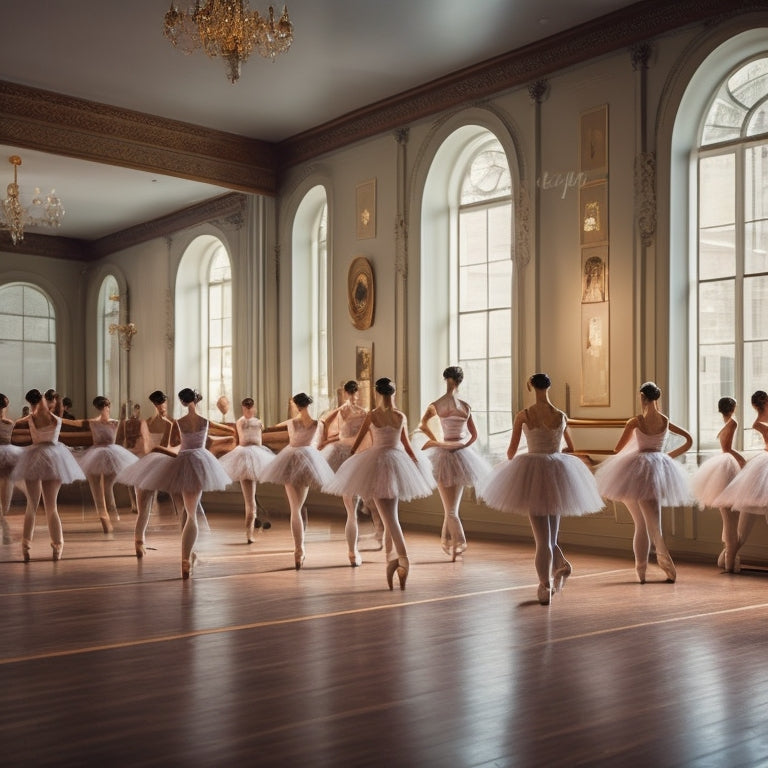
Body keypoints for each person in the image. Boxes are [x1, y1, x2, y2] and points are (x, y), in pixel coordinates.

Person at [479, 373, 604, 605]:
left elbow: (510, 452)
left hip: (534, 471)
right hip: (558, 471)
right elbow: (571, 448)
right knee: (551, 537)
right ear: (549, 387)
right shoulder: (560, 416)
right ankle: (562, 567)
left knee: (542, 540)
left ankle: (545, 585)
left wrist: (529, 455)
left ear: (530, 387)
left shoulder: (524, 415)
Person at [326, 378, 436, 589]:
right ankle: (390, 560)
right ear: (393, 394)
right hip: (396, 463)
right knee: (389, 518)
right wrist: (414, 463)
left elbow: (357, 443)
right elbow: (406, 445)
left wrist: (352, 459)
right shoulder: (400, 416)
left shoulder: (372, 415)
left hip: (377, 463)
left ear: (377, 393)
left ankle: (402, 559)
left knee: (390, 520)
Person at [595, 381, 692, 584]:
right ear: (657, 397)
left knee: (641, 524)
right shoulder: (664, 420)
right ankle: (662, 566)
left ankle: (642, 571)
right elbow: (688, 440)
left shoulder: (636, 421)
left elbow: (616, 449)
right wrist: (668, 456)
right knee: (654, 525)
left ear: (642, 397)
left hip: (636, 471)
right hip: (657, 466)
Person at [133, 388, 233, 578]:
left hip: (185, 462)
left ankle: (186, 557)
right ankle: (186, 558)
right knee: (191, 513)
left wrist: (159, 450)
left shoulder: (177, 423)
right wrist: (230, 436)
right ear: (196, 400)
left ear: (183, 403)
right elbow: (215, 436)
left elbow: (173, 448)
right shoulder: (205, 421)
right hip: (200, 464)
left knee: (187, 513)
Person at [419, 366, 491, 560]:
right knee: (452, 508)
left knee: (449, 508)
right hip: (460, 453)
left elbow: (421, 424)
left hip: (448, 452)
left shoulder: (437, 404)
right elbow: (473, 435)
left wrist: (437, 441)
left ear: (446, 380)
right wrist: (460, 445)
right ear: (459, 382)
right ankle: (453, 543)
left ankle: (453, 543)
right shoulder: (465, 406)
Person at [260, 393, 335, 570]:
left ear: (296, 405)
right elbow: (318, 443)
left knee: (295, 509)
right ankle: (300, 547)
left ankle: (298, 549)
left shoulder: (292, 422)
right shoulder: (316, 423)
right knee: (298, 508)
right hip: (307, 459)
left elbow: (274, 428)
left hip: (291, 459)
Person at [11, 388, 86, 562]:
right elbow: (76, 426)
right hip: (54, 458)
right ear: (45, 401)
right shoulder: (56, 419)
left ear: (31, 404)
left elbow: (16, 426)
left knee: (32, 505)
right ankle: (57, 545)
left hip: (33, 458)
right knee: (51, 507)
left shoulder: (28, 419)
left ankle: (26, 544)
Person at [320, 380, 376, 566]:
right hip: (360, 455)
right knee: (360, 502)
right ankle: (359, 548)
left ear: (345, 393)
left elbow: (333, 431)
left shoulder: (340, 411)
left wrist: (324, 442)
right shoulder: (364, 411)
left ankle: (353, 551)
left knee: (350, 510)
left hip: (344, 454)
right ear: (357, 393)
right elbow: (367, 436)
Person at [714, 390, 768, 569]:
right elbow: (727, 447)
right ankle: (729, 555)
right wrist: (742, 461)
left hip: (760, 464)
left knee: (740, 518)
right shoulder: (758, 423)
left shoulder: (753, 423)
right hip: (762, 464)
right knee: (740, 517)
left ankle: (728, 556)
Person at [116, 390, 174, 557]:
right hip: (147, 464)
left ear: (167, 403)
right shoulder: (147, 423)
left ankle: (188, 546)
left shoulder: (173, 423)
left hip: (166, 464)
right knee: (144, 507)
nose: (161, 406)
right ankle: (139, 541)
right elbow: (144, 446)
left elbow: (170, 446)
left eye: (163, 403)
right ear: (154, 405)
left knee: (180, 505)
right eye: (158, 404)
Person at [69, 396, 139, 533]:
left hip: (110, 453)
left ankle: (110, 513)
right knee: (102, 486)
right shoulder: (96, 422)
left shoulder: (113, 422)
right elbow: (78, 424)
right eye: (105, 407)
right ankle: (106, 514)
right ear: (104, 407)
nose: (105, 409)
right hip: (98, 453)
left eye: (106, 407)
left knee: (106, 486)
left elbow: (117, 435)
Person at [690, 397, 745, 572]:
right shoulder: (733, 422)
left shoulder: (726, 422)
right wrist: (742, 460)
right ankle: (730, 563)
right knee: (731, 520)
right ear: (733, 407)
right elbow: (727, 448)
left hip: (723, 466)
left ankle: (729, 560)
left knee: (728, 519)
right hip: (728, 467)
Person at [219, 397, 275, 543]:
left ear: (254, 408)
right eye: (246, 408)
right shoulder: (240, 422)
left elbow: (258, 439)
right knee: (250, 502)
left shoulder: (258, 422)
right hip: (243, 458)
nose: (249, 410)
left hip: (258, 456)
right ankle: (249, 533)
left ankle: (250, 532)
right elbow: (241, 440)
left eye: (250, 408)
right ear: (243, 408)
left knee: (251, 502)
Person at [0, 394, 22, 544]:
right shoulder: (9, 423)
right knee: (8, 482)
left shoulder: (10, 423)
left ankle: (2, 516)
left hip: (7, 452)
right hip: (8, 452)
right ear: (6, 407)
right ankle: (3, 514)